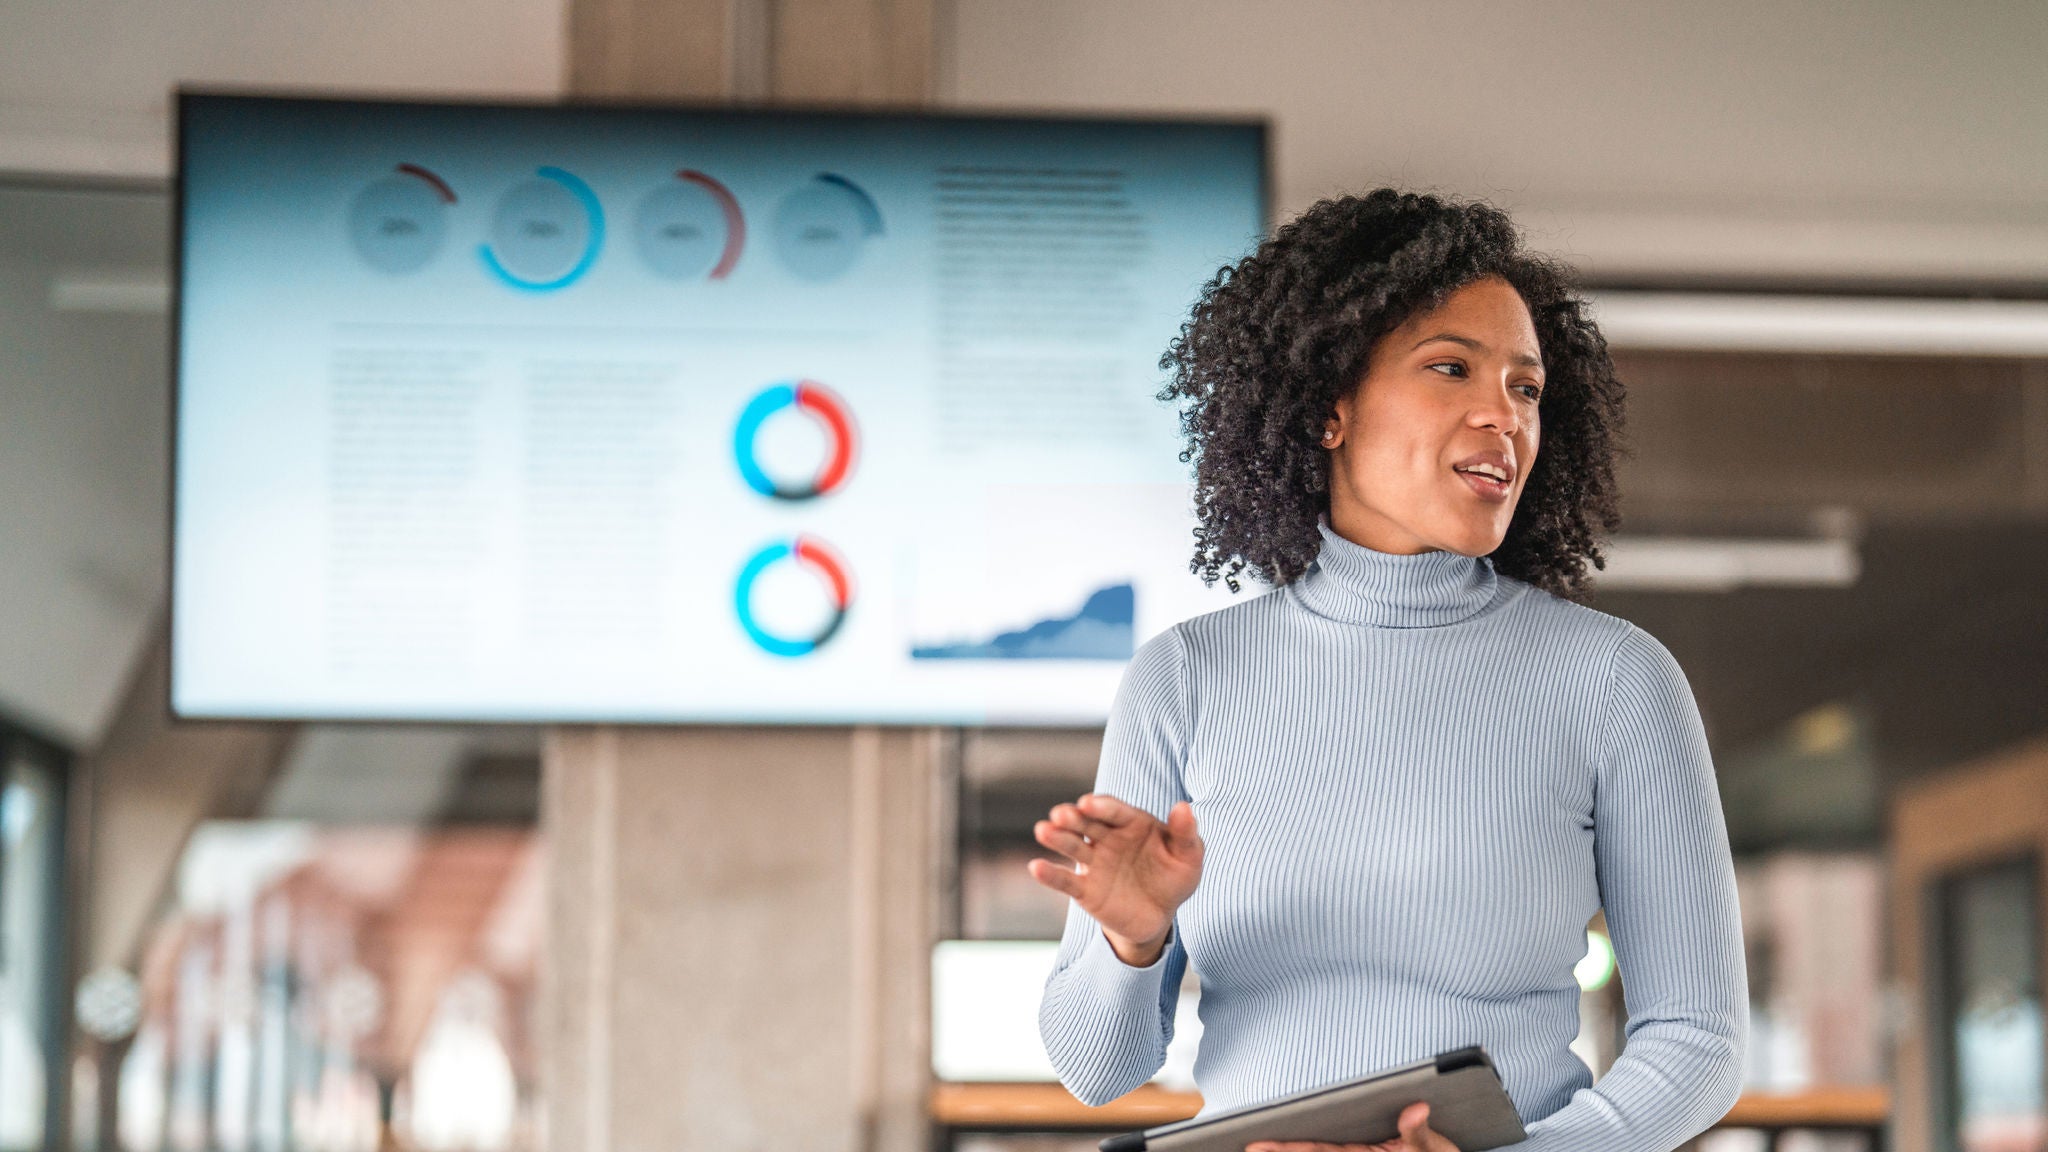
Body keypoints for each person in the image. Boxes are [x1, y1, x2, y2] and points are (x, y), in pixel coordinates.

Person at [1029, 189, 1747, 1152]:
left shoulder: (1614, 680)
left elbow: (1698, 1040)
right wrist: (1131, 937)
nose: (1503, 416)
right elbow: (1094, 1069)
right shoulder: (1186, 678)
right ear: (1329, 410)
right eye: (1452, 369)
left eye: (1526, 389)